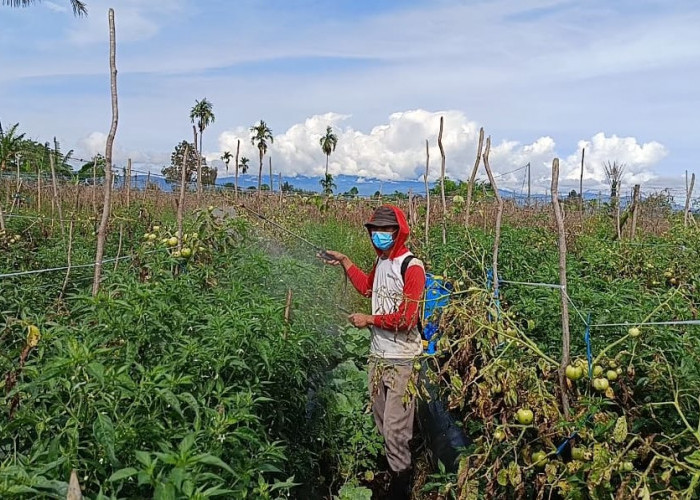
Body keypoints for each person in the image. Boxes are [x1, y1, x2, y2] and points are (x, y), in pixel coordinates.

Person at [323, 205, 425, 499]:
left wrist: (368, 319)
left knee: (395, 427)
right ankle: (396, 465)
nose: (379, 235)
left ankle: (401, 483)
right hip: (378, 356)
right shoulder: (381, 263)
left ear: (399, 232)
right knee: (382, 420)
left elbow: (407, 318)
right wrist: (344, 260)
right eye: (375, 230)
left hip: (402, 359)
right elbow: (368, 288)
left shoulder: (411, 267)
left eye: (386, 230)